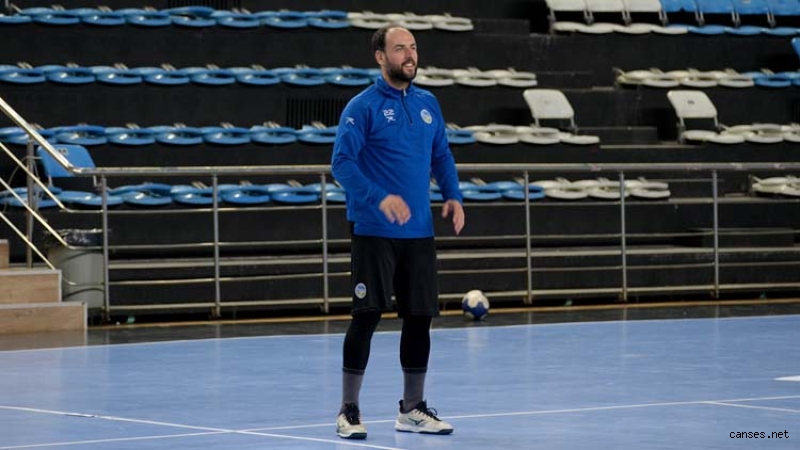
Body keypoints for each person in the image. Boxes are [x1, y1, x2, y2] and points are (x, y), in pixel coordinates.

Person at [330, 25, 465, 440]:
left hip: (419, 232)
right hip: (374, 230)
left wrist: (453, 195)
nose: (409, 55)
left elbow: (441, 154)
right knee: (367, 315)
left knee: (419, 318)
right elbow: (341, 163)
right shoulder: (362, 106)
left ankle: (412, 409)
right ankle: (349, 410)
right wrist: (379, 198)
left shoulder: (428, 103)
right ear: (380, 57)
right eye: (400, 48)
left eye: (413, 48)